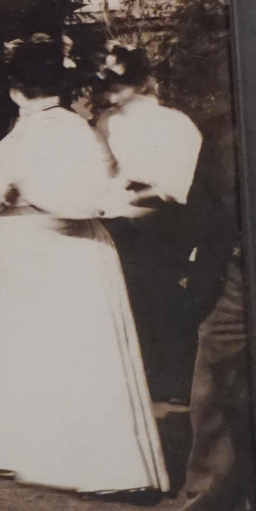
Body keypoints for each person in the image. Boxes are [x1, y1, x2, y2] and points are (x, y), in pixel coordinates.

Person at [0, 36, 169, 498]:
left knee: (63, 349)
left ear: (16, 87)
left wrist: (25, 195)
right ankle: (18, 449)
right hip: (24, 248)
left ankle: (95, 465)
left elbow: (83, 200)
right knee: (24, 348)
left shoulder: (65, 130)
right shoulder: (40, 129)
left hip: (56, 248)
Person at [138, 103, 254, 511]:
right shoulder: (225, 133)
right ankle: (210, 507)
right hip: (237, 272)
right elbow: (206, 215)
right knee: (213, 381)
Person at [94, 47, 205, 403]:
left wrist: (145, 193)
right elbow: (105, 167)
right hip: (119, 215)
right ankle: (137, 375)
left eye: (122, 82)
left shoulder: (175, 122)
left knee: (160, 293)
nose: (113, 90)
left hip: (161, 217)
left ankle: (169, 379)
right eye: (109, 83)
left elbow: (180, 181)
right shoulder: (107, 121)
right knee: (128, 293)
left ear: (142, 83)